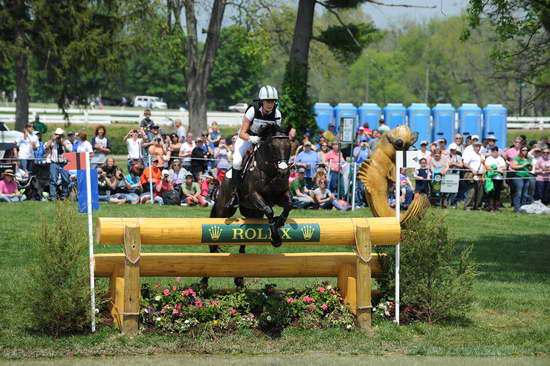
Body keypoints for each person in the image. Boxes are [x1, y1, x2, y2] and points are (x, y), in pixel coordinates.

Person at [225, 85, 282, 208]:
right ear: (262, 101)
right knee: (237, 162)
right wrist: (251, 139)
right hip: (247, 138)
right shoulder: (252, 110)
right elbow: (242, 133)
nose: (270, 104)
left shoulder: (277, 113)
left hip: (264, 143)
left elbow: (276, 135)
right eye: (268, 101)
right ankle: (235, 195)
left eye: (273, 101)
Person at [45, 128, 73, 200]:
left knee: (65, 180)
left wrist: (63, 144)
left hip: (64, 163)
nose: (59, 136)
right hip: (54, 163)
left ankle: (64, 196)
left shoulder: (66, 142)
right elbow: (46, 147)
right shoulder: (52, 142)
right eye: (57, 135)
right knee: (53, 180)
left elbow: (70, 151)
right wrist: (52, 139)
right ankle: (53, 196)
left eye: (60, 135)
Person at [462, 141, 485, 210]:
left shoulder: (481, 155)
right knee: (472, 190)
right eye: (476, 146)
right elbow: (465, 163)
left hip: (480, 175)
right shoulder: (470, 154)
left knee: (480, 191)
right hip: (472, 174)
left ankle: (477, 206)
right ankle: (468, 206)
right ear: (473, 147)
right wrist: (472, 169)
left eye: (479, 146)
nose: (478, 148)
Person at [510, 146, 533, 212]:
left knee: (525, 194)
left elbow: (529, 169)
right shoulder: (517, 158)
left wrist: (530, 167)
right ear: (520, 151)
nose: (525, 151)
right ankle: (517, 209)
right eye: (523, 150)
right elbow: (513, 166)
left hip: (526, 177)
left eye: (526, 150)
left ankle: (523, 208)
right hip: (518, 177)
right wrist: (523, 165)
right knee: (519, 193)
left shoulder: (528, 158)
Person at [484, 146, 507, 211]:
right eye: (493, 152)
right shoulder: (489, 158)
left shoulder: (500, 158)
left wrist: (498, 169)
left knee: (497, 193)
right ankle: (490, 207)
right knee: (491, 193)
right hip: (491, 179)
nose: (494, 153)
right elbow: (487, 167)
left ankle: (496, 207)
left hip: (499, 178)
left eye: (495, 152)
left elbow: (504, 167)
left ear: (497, 152)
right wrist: (497, 169)